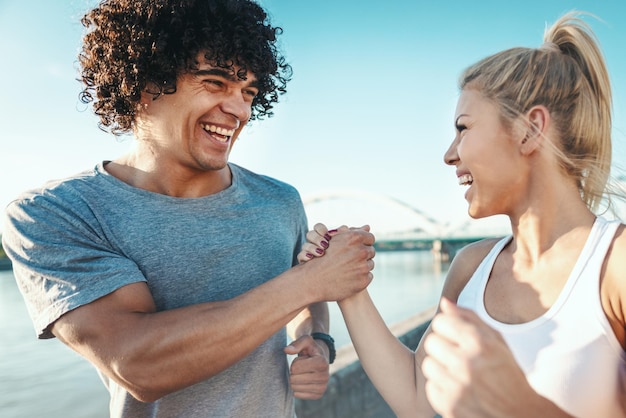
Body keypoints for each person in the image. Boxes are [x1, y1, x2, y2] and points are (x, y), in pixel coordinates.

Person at [1, 1, 376, 417]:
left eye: (248, 91)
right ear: (144, 81)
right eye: (215, 82)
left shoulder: (280, 200)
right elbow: (138, 364)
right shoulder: (55, 213)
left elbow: (306, 293)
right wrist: (310, 282)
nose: (239, 110)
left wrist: (316, 339)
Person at [300, 12, 626, 418]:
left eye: (463, 128)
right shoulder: (471, 267)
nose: (449, 154)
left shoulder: (616, 266)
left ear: (530, 130)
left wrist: (524, 404)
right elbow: (419, 399)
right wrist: (349, 290)